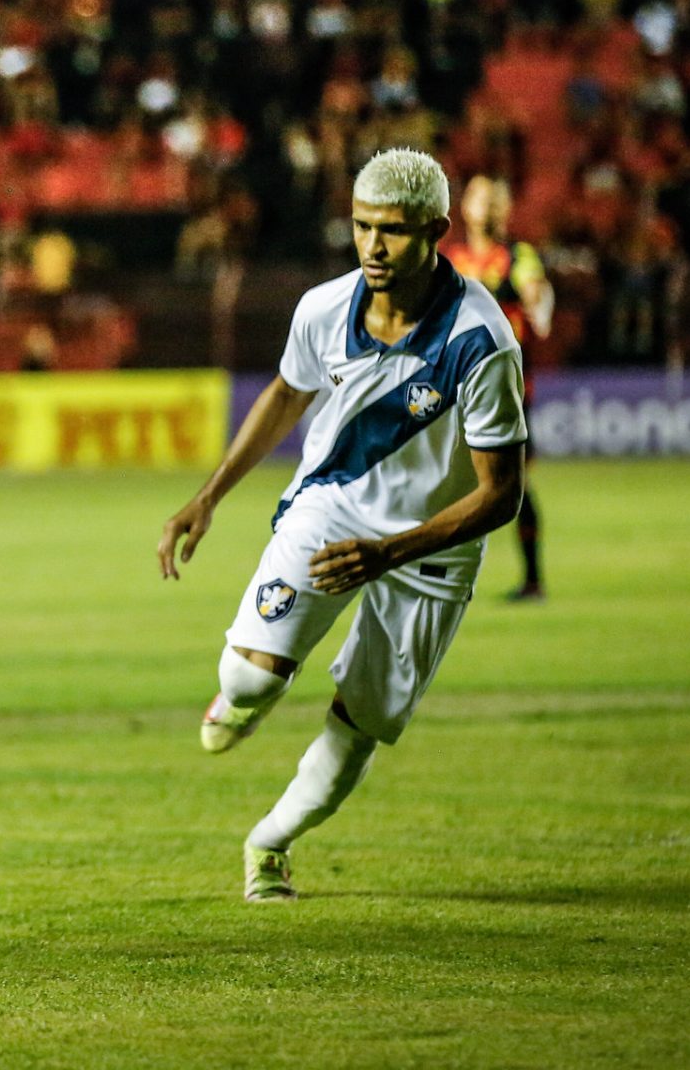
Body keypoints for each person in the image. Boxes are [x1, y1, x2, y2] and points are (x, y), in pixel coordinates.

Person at [157, 148, 526, 903]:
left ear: (437, 231)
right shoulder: (325, 307)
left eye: (391, 231)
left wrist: (387, 552)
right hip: (331, 511)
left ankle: (269, 843)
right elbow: (285, 397)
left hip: (433, 551)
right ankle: (238, 698)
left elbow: (500, 497)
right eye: (361, 228)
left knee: (364, 723)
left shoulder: (480, 343)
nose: (373, 248)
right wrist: (210, 495)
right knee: (246, 678)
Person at [450, 175, 553, 599]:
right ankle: (444, 576)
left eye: (496, 199)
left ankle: (532, 579)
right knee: (450, 485)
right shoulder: (450, 259)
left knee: (510, 486)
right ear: (464, 207)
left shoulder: (518, 256)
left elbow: (535, 289)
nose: (488, 207)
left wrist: (539, 305)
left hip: (508, 392)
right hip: (454, 393)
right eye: (479, 198)